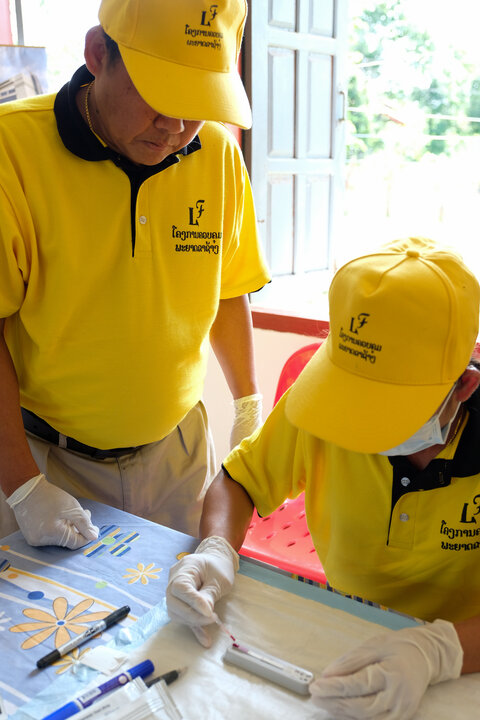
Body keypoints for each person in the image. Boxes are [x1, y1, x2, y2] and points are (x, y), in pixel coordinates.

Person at [166, 237, 480, 720]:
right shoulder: (322, 403)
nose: (361, 428)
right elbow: (239, 480)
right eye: (355, 400)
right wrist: (215, 549)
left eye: (387, 412)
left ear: (464, 385)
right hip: (339, 625)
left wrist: (440, 651)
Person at [0, 0, 270, 549]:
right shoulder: (13, 152)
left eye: (197, 102)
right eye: (159, 94)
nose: (176, 126)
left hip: (180, 455)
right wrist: (23, 484)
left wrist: (247, 406)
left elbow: (228, 288)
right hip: (49, 459)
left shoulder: (216, 155)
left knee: (183, 618)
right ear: (99, 54)